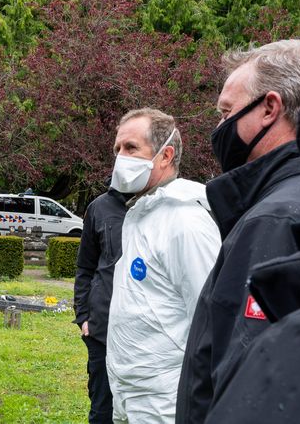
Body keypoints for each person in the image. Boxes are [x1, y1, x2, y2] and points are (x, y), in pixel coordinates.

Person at [176, 39, 300, 424]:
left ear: (269, 108)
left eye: (227, 112)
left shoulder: (274, 219)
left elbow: (252, 387)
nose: (220, 128)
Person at [106, 108, 221, 423]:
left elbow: (210, 317)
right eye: (117, 149)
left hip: (165, 398)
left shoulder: (187, 221)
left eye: (131, 148)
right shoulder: (141, 213)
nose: (120, 158)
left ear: (165, 155)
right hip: (129, 389)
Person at [73, 186, 130, 424]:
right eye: (120, 148)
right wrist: (83, 315)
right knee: (102, 409)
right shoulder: (99, 207)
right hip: (102, 330)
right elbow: (85, 266)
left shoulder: (165, 207)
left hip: (146, 332)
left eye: (132, 147)